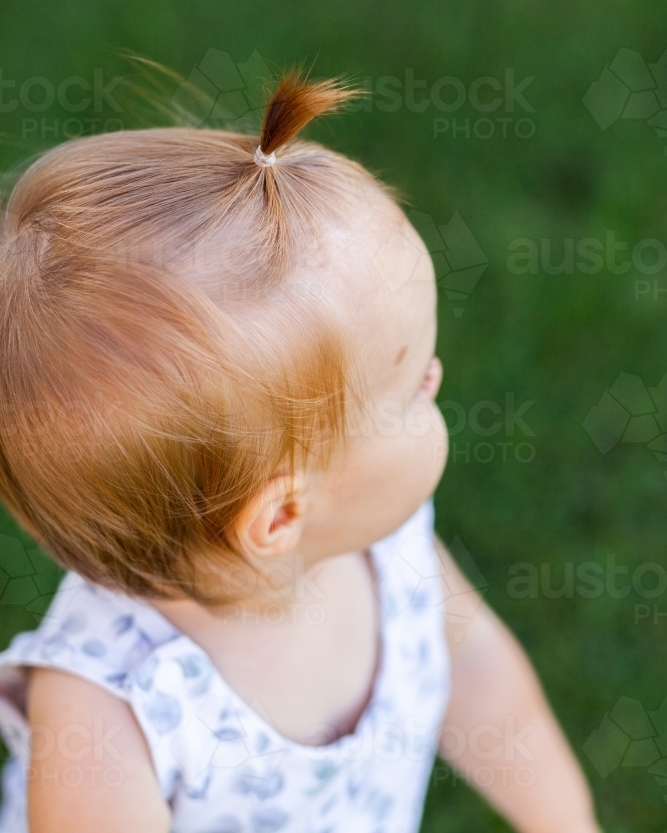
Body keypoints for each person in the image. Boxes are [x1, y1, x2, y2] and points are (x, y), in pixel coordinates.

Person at [0, 72, 599, 833]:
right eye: (411, 384)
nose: (438, 375)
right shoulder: (114, 713)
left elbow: (480, 679)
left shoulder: (385, 545)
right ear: (281, 514)